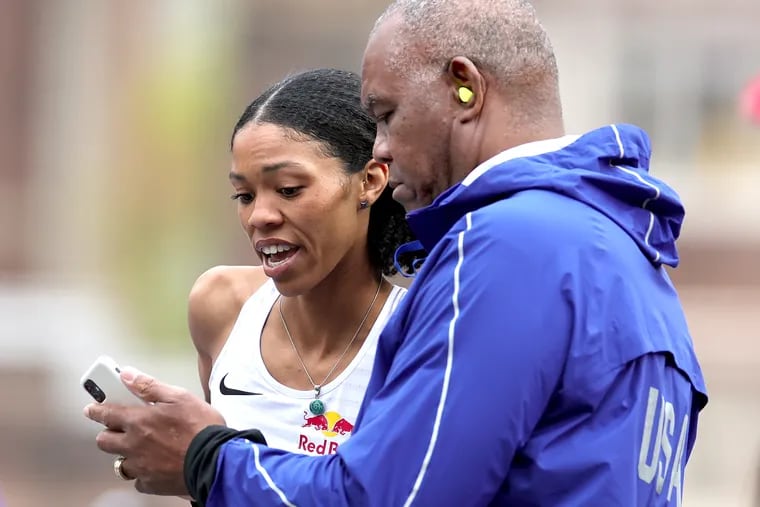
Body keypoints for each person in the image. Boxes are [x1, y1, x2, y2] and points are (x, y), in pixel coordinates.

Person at [85, 1, 708, 506]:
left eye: (385, 115)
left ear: (465, 89)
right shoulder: (631, 255)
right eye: (243, 194)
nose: (379, 149)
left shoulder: (505, 246)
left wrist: (206, 461)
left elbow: (389, 498)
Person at [187, 68, 410, 455]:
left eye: (288, 190)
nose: (260, 216)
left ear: (370, 182)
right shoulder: (220, 306)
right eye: (244, 195)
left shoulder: (421, 332)